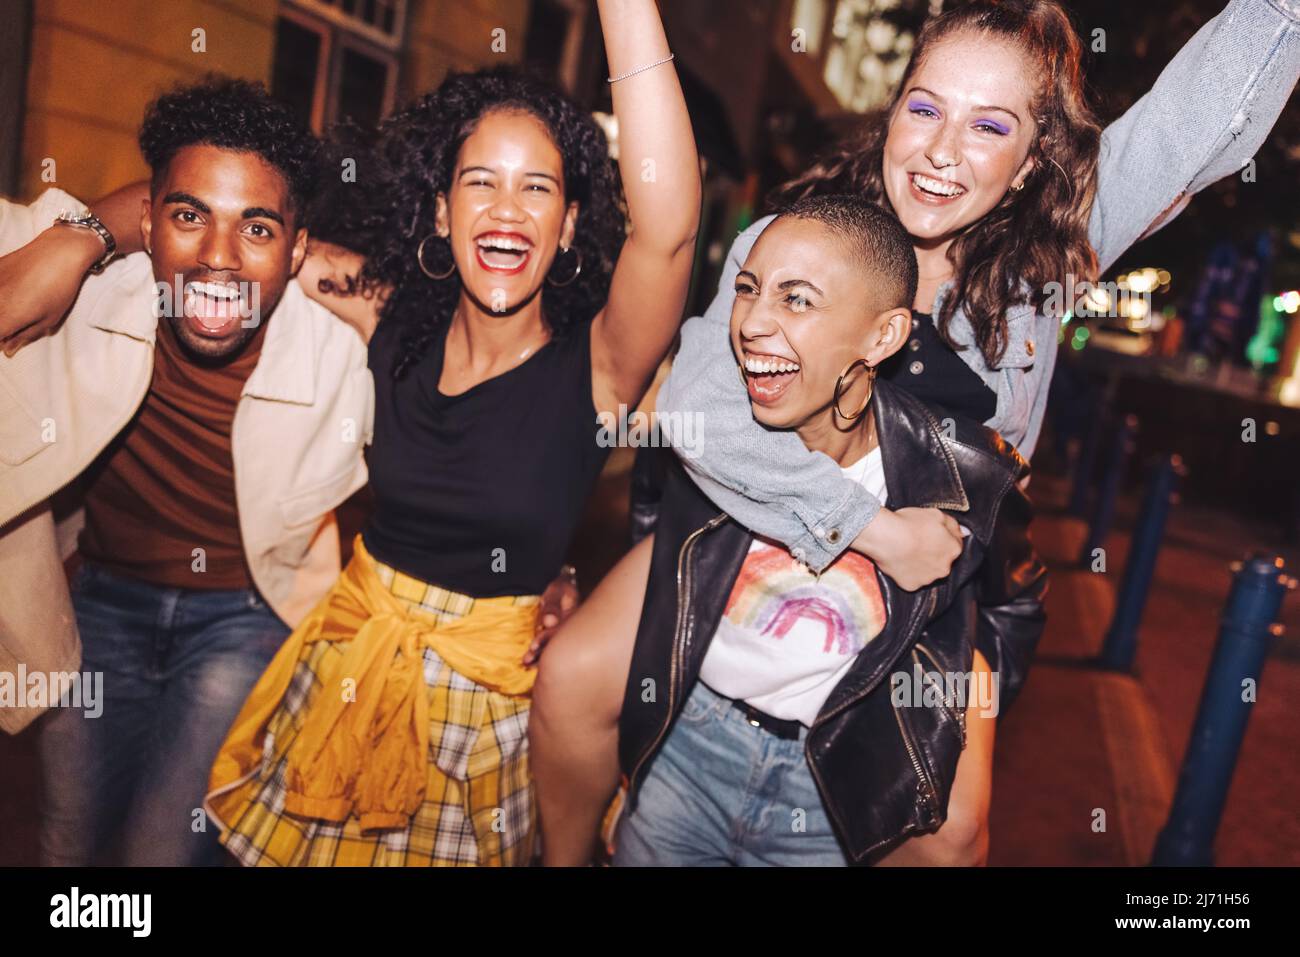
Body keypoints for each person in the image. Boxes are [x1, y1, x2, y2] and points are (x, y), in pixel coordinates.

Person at [530, 0, 1300, 864]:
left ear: (1029, 164)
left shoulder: (1044, 272)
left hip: (928, 604)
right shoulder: (800, 242)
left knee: (953, 835)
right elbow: (698, 413)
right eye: (926, 107)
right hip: (742, 542)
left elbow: (1195, 118)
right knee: (569, 680)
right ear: (893, 112)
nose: (941, 150)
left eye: (989, 126)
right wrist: (868, 528)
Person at [199, 0, 699, 866]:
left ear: (571, 225)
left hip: (486, 720)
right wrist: (76, 235)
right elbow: (224, 235)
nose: (507, 208)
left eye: (537, 187)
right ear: (439, 214)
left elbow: (670, 226)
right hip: (343, 673)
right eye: (481, 181)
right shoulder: (386, 320)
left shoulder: (600, 370)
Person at [0, 77, 373, 865]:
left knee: (161, 855)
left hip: (244, 616)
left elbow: (482, 370)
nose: (217, 258)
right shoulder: (89, 290)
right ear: (147, 221)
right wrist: (76, 237)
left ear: (299, 249)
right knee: (67, 843)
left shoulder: (340, 343)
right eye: (188, 217)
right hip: (95, 604)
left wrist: (533, 561)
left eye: (258, 230)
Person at [613, 193, 1046, 865]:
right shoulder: (718, 440)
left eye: (796, 300)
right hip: (686, 754)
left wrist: (961, 690)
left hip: (832, 795)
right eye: (747, 290)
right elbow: (657, 512)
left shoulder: (959, 472)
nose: (752, 322)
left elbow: (1014, 600)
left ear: (882, 337)